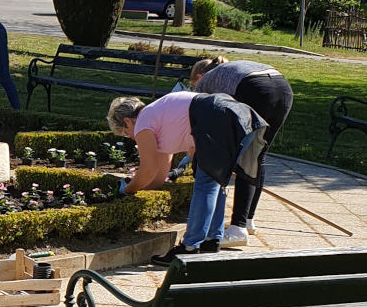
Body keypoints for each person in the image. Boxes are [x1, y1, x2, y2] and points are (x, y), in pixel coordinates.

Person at [107, 90, 267, 265]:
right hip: (242, 116)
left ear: (128, 121)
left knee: (205, 184)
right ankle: (211, 240)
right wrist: (144, 188)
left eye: (125, 132)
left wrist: (127, 190)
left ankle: (189, 247)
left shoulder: (143, 123)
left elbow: (148, 170)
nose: (131, 137)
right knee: (215, 180)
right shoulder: (158, 114)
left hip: (220, 119)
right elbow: (159, 174)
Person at [189, 56, 293, 246]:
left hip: (255, 89)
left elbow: (202, 129)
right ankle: (247, 221)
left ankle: (238, 229)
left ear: (199, 76)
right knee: (257, 155)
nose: (194, 88)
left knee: (246, 157)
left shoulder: (205, 83)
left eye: (193, 83)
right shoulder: (229, 72)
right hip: (283, 89)